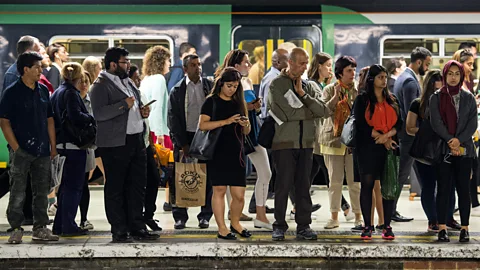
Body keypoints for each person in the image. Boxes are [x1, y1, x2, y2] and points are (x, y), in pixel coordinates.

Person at [90, 47, 159, 242]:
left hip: (136, 140)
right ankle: (119, 229)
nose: (128, 65)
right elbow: (99, 113)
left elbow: (133, 105)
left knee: (137, 185)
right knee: (116, 187)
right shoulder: (100, 85)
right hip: (115, 144)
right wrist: (123, 105)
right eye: (125, 62)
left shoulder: (127, 81)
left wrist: (142, 111)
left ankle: (136, 226)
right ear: (113, 64)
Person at [268, 48, 329, 241]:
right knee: (283, 186)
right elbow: (285, 114)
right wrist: (309, 111)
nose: (305, 67)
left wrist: (303, 95)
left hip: (307, 143)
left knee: (303, 186)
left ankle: (304, 226)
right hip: (284, 143)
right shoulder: (276, 85)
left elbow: (324, 110)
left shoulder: (309, 86)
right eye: (301, 63)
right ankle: (279, 225)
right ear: (290, 62)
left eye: (306, 63)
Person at [0, 52, 59, 243]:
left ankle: (40, 227)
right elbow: (4, 122)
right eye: (37, 67)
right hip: (21, 150)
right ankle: (16, 228)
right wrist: (16, 148)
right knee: (17, 190)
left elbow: (50, 119)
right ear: (26, 69)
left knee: (42, 190)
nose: (41, 71)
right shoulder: (11, 92)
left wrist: (52, 145)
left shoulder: (42, 91)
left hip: (42, 149)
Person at [215, 49, 273, 228]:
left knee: (262, 173)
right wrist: (248, 106)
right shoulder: (226, 84)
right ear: (236, 65)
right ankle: (256, 215)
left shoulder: (246, 81)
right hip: (235, 134)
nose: (249, 65)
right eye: (246, 62)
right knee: (261, 173)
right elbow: (226, 107)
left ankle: (243, 213)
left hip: (250, 131)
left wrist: (254, 107)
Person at [198, 67, 251, 240]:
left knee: (239, 194)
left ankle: (235, 223)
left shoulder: (238, 102)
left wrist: (245, 125)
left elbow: (246, 132)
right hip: (217, 151)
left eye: (235, 86)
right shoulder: (211, 101)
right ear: (221, 83)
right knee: (219, 189)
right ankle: (222, 227)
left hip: (236, 151)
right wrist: (226, 122)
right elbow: (203, 125)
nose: (232, 89)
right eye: (229, 85)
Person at [429, 60, 477, 242]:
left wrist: (459, 140)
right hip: (443, 151)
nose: (453, 77)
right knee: (443, 190)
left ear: (461, 76)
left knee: (464, 190)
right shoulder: (436, 97)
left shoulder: (469, 98)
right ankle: (442, 228)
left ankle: (464, 228)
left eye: (457, 74)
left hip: (465, 152)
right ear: (445, 75)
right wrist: (450, 140)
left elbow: (473, 124)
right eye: (450, 73)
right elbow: (436, 123)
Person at [354, 64, 402, 240]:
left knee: (388, 186)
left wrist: (388, 137)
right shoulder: (363, 100)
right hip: (368, 147)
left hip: (389, 148)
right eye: (381, 77)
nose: (384, 80)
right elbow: (360, 124)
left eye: (385, 77)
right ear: (372, 80)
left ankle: (387, 225)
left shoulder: (392, 99)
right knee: (367, 186)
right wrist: (380, 137)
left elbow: (400, 123)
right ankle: (368, 225)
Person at [406, 69, 457, 232]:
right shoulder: (418, 103)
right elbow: (409, 127)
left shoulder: (450, 102)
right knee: (428, 186)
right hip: (425, 152)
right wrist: (427, 131)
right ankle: (433, 219)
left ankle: (448, 217)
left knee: (448, 186)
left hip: (445, 150)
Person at [168, 54, 214, 230]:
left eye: (199, 64)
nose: (198, 68)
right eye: (194, 65)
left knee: (206, 176)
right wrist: (182, 144)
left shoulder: (209, 87)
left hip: (205, 135)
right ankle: (180, 216)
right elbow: (173, 119)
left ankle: (205, 216)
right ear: (185, 69)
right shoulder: (177, 90)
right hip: (185, 136)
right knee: (181, 176)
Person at [307, 52, 354, 221]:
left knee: (316, 173)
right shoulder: (315, 86)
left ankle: (299, 205)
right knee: (330, 175)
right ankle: (344, 208)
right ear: (319, 66)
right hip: (320, 136)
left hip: (322, 137)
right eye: (327, 65)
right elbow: (320, 110)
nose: (329, 69)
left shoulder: (324, 85)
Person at [51, 63, 96, 236]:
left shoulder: (57, 92)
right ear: (78, 77)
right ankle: (69, 226)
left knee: (64, 188)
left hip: (62, 145)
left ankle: (59, 225)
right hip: (74, 146)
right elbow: (75, 116)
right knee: (74, 188)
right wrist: (91, 118)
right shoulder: (71, 93)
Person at [319, 56, 362, 230]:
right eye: (349, 70)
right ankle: (334, 216)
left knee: (355, 182)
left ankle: (358, 216)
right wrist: (336, 97)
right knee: (334, 181)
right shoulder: (330, 89)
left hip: (353, 142)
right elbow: (323, 111)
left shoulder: (359, 90)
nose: (353, 74)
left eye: (354, 70)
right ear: (340, 73)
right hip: (333, 140)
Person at [392, 47, 432, 222]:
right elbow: (411, 111)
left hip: (407, 136)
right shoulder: (410, 81)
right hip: (410, 137)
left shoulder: (404, 77)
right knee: (402, 174)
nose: (427, 68)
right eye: (427, 64)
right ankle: (390, 210)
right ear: (419, 62)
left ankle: (435, 202)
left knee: (422, 174)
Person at [139, 45, 173, 212]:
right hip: (158, 130)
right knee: (167, 165)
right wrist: (160, 134)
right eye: (168, 60)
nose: (170, 64)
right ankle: (169, 200)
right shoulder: (159, 79)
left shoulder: (146, 79)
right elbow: (158, 107)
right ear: (161, 62)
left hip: (147, 130)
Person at [259, 49, 289, 119]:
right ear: (278, 63)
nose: (291, 64)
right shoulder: (272, 79)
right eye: (288, 61)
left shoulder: (280, 77)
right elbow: (269, 106)